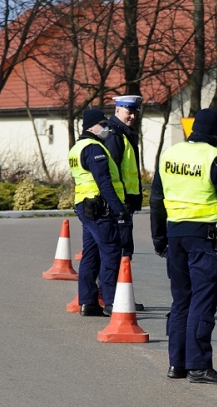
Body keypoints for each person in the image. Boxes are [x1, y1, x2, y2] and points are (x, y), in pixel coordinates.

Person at [149, 108, 217, 385]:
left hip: (174, 237)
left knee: (181, 301)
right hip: (203, 240)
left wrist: (158, 238)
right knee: (201, 302)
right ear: (216, 133)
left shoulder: (170, 155)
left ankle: (177, 364)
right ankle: (198, 367)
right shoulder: (216, 160)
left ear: (193, 129)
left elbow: (156, 199)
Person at [69, 108, 129, 317]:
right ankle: (112, 302)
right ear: (91, 126)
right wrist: (119, 209)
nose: (106, 127)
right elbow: (104, 182)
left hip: (85, 207)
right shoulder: (95, 149)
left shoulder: (77, 148)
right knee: (111, 251)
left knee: (91, 253)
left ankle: (88, 302)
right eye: (102, 123)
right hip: (99, 207)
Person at [105, 94, 145, 311]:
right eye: (128, 111)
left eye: (134, 112)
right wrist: (119, 203)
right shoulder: (115, 136)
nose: (132, 116)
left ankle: (121, 297)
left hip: (124, 202)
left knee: (123, 250)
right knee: (121, 251)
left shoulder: (124, 134)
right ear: (117, 110)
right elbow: (111, 174)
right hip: (119, 204)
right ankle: (117, 299)